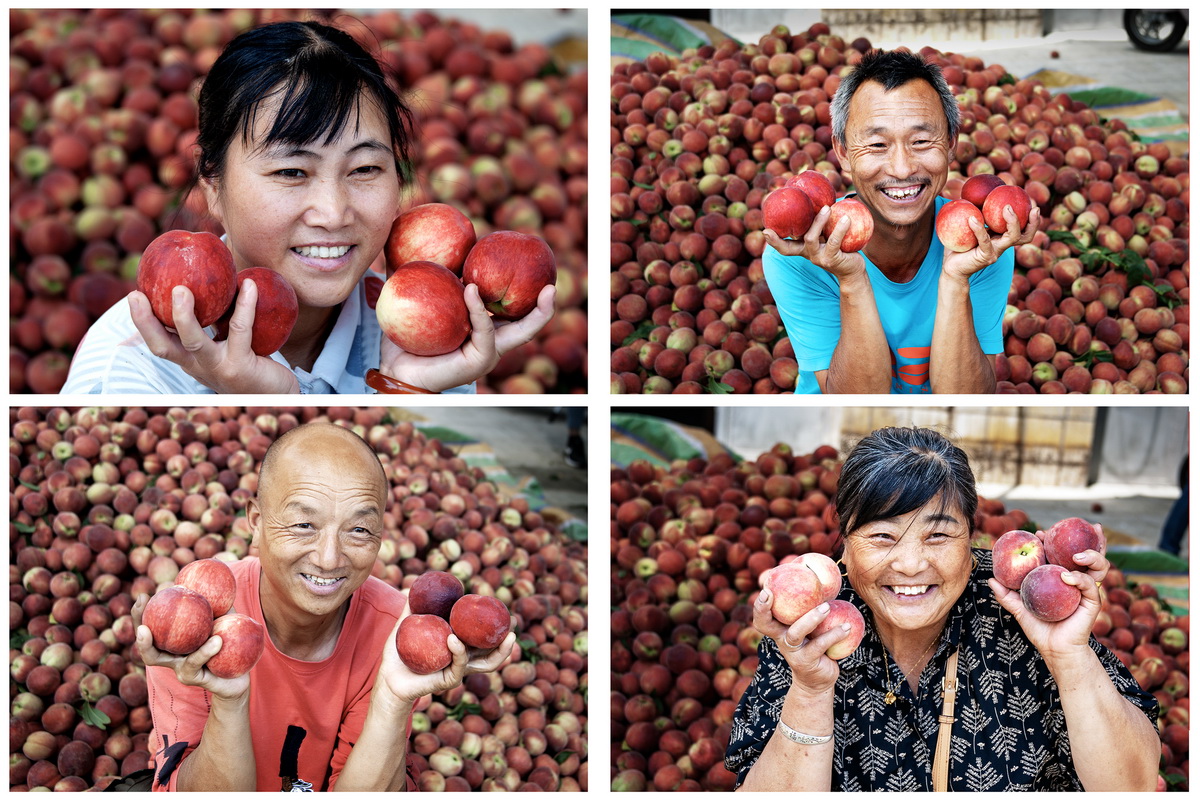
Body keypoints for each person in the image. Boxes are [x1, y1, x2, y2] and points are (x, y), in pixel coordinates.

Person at [61, 20, 554, 395]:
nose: (334, 213)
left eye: (364, 170)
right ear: (212, 182)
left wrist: (410, 387)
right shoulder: (126, 374)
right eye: (291, 172)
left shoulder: (420, 338)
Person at [726, 426, 1159, 791]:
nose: (911, 565)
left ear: (971, 538)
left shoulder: (1023, 606)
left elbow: (1134, 785)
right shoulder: (813, 623)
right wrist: (810, 691)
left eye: (938, 536)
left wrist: (1069, 656)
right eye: (881, 537)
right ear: (845, 541)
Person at [129, 422, 514, 791]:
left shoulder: (399, 632)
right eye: (303, 525)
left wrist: (395, 699)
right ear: (256, 522)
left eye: (359, 530)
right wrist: (229, 701)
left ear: (381, 535)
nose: (329, 559)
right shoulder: (198, 616)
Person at [762, 50, 1039, 394]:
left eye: (921, 141)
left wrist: (956, 280)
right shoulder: (799, 256)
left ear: (951, 143)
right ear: (843, 153)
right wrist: (851, 279)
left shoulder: (982, 242)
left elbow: (964, 400)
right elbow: (857, 406)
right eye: (877, 144)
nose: (902, 168)